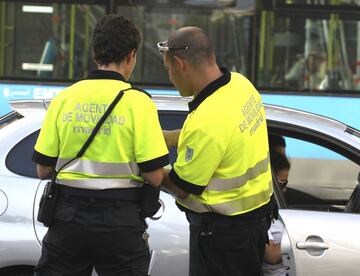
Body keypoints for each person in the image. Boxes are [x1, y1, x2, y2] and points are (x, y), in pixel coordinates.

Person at [32, 14, 169, 276]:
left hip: (67, 220)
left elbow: (43, 171)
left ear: (96, 54)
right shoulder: (139, 103)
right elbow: (153, 177)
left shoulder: (64, 98)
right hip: (120, 223)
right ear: (132, 55)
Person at [158, 26, 275, 276]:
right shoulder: (241, 86)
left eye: (168, 69)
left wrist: (149, 167)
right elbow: (221, 138)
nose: (170, 77)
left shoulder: (207, 119)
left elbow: (183, 185)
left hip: (222, 238)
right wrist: (167, 138)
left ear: (180, 64)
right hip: (252, 226)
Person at [263, 150, 291, 276]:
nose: (285, 189)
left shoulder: (275, 207)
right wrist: (299, 242)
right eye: (282, 184)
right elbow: (271, 255)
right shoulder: (262, 211)